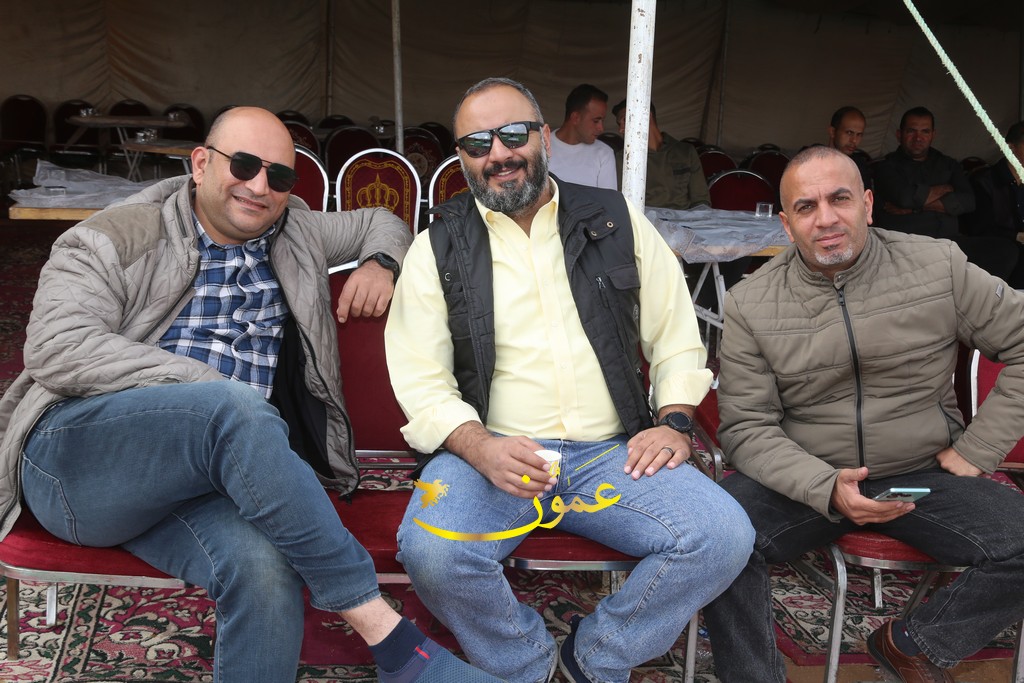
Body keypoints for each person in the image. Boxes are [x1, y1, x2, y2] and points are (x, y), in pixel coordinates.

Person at [0, 107, 503, 683]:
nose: (260, 186)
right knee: (234, 406)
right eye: (243, 165)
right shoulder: (113, 236)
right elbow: (58, 348)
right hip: (79, 466)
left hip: (205, 481)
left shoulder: (294, 231)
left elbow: (381, 220)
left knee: (265, 569)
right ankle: (388, 637)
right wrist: (208, 392)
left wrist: (380, 263)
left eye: (279, 176)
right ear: (200, 164)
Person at [384, 77, 754, 683]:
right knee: (431, 550)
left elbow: (675, 334)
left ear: (545, 138)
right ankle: (527, 665)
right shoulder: (437, 246)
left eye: (513, 135)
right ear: (461, 158)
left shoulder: (616, 221)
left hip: (611, 454)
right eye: (477, 143)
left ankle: (593, 661)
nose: (498, 154)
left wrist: (675, 421)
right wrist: (479, 447)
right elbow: (420, 377)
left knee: (723, 535)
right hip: (494, 453)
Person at [702, 145, 1024, 683]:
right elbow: (746, 426)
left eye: (840, 199)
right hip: (804, 477)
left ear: (868, 205)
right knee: (715, 535)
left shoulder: (938, 265)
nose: (826, 218)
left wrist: (979, 447)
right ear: (786, 224)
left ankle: (914, 645)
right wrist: (824, 485)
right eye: (806, 207)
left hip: (919, 477)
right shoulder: (751, 302)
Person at [874, 106, 1016, 280]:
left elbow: (968, 201)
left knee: (1006, 250)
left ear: (933, 135)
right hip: (908, 245)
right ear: (899, 134)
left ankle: (974, 294)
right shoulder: (886, 167)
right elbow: (904, 197)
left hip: (950, 243)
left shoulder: (947, 164)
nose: (918, 138)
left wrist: (915, 208)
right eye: (911, 131)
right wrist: (945, 189)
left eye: (925, 131)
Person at [611, 98, 709, 210]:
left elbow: (701, 201)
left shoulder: (685, 152)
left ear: (646, 116)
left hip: (686, 218)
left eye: (625, 120)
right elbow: (623, 204)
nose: (621, 129)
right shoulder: (624, 158)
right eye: (619, 124)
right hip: (645, 219)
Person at [963, 120, 1024, 287]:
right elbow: (980, 229)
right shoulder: (984, 181)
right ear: (1010, 148)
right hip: (1002, 254)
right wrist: (1017, 236)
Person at [547, 83, 618, 190]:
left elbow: (608, 199)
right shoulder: (541, 148)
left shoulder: (604, 153)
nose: (601, 128)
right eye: (596, 121)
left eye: (602, 121)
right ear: (576, 117)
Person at [827, 105, 872, 188]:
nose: (854, 140)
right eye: (849, 133)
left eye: (859, 134)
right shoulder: (812, 159)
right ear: (832, 132)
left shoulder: (859, 166)